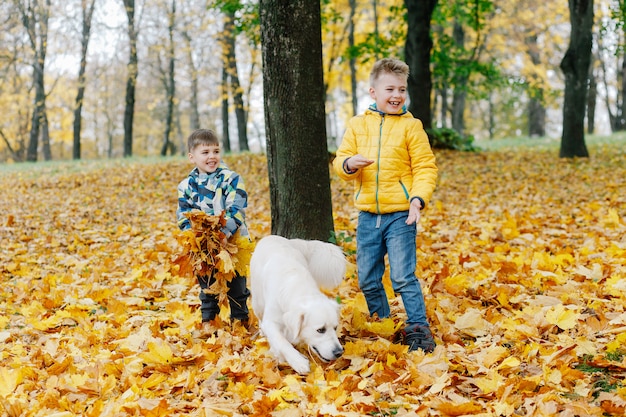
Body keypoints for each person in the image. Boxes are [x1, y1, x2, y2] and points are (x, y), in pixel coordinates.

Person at [332, 58, 438, 353]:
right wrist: (349, 164)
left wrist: (417, 199)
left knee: (403, 275)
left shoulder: (411, 126)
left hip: (401, 214)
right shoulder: (357, 125)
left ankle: (418, 328)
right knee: (367, 277)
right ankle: (384, 321)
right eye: (389, 88)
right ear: (373, 92)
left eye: (401, 89)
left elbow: (425, 167)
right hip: (368, 215)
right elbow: (339, 161)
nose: (396, 95)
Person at [177, 128, 250, 331]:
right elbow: (184, 215)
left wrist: (224, 234)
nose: (212, 156)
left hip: (232, 243)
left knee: (237, 286)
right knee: (208, 286)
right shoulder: (186, 186)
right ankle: (209, 322)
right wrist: (193, 237)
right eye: (205, 152)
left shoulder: (231, 179)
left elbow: (237, 208)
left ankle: (240, 322)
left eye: (216, 151)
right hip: (204, 248)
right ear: (192, 157)